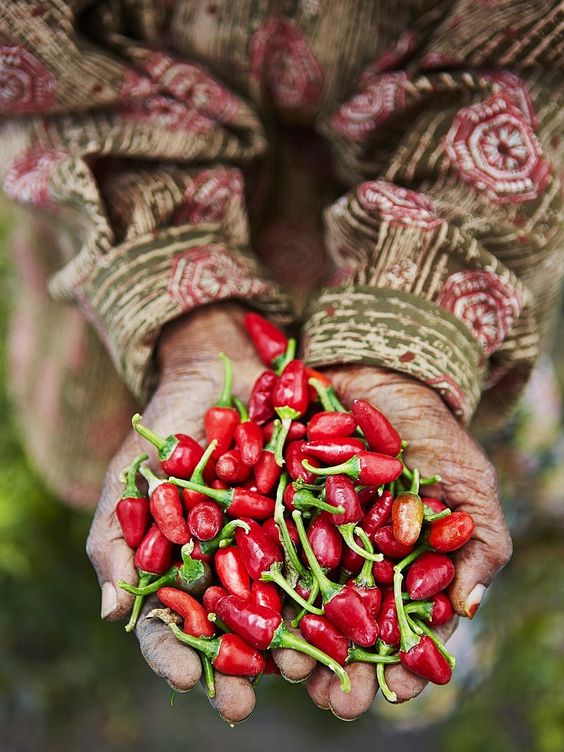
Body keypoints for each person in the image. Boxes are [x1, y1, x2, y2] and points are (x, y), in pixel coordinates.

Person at [0, 0, 561, 724]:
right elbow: (38, 65)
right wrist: (185, 316)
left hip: (434, 249)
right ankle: (436, 645)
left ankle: (485, 581)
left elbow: (531, 56)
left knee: (459, 478)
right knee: (417, 556)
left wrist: (420, 338)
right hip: (138, 223)